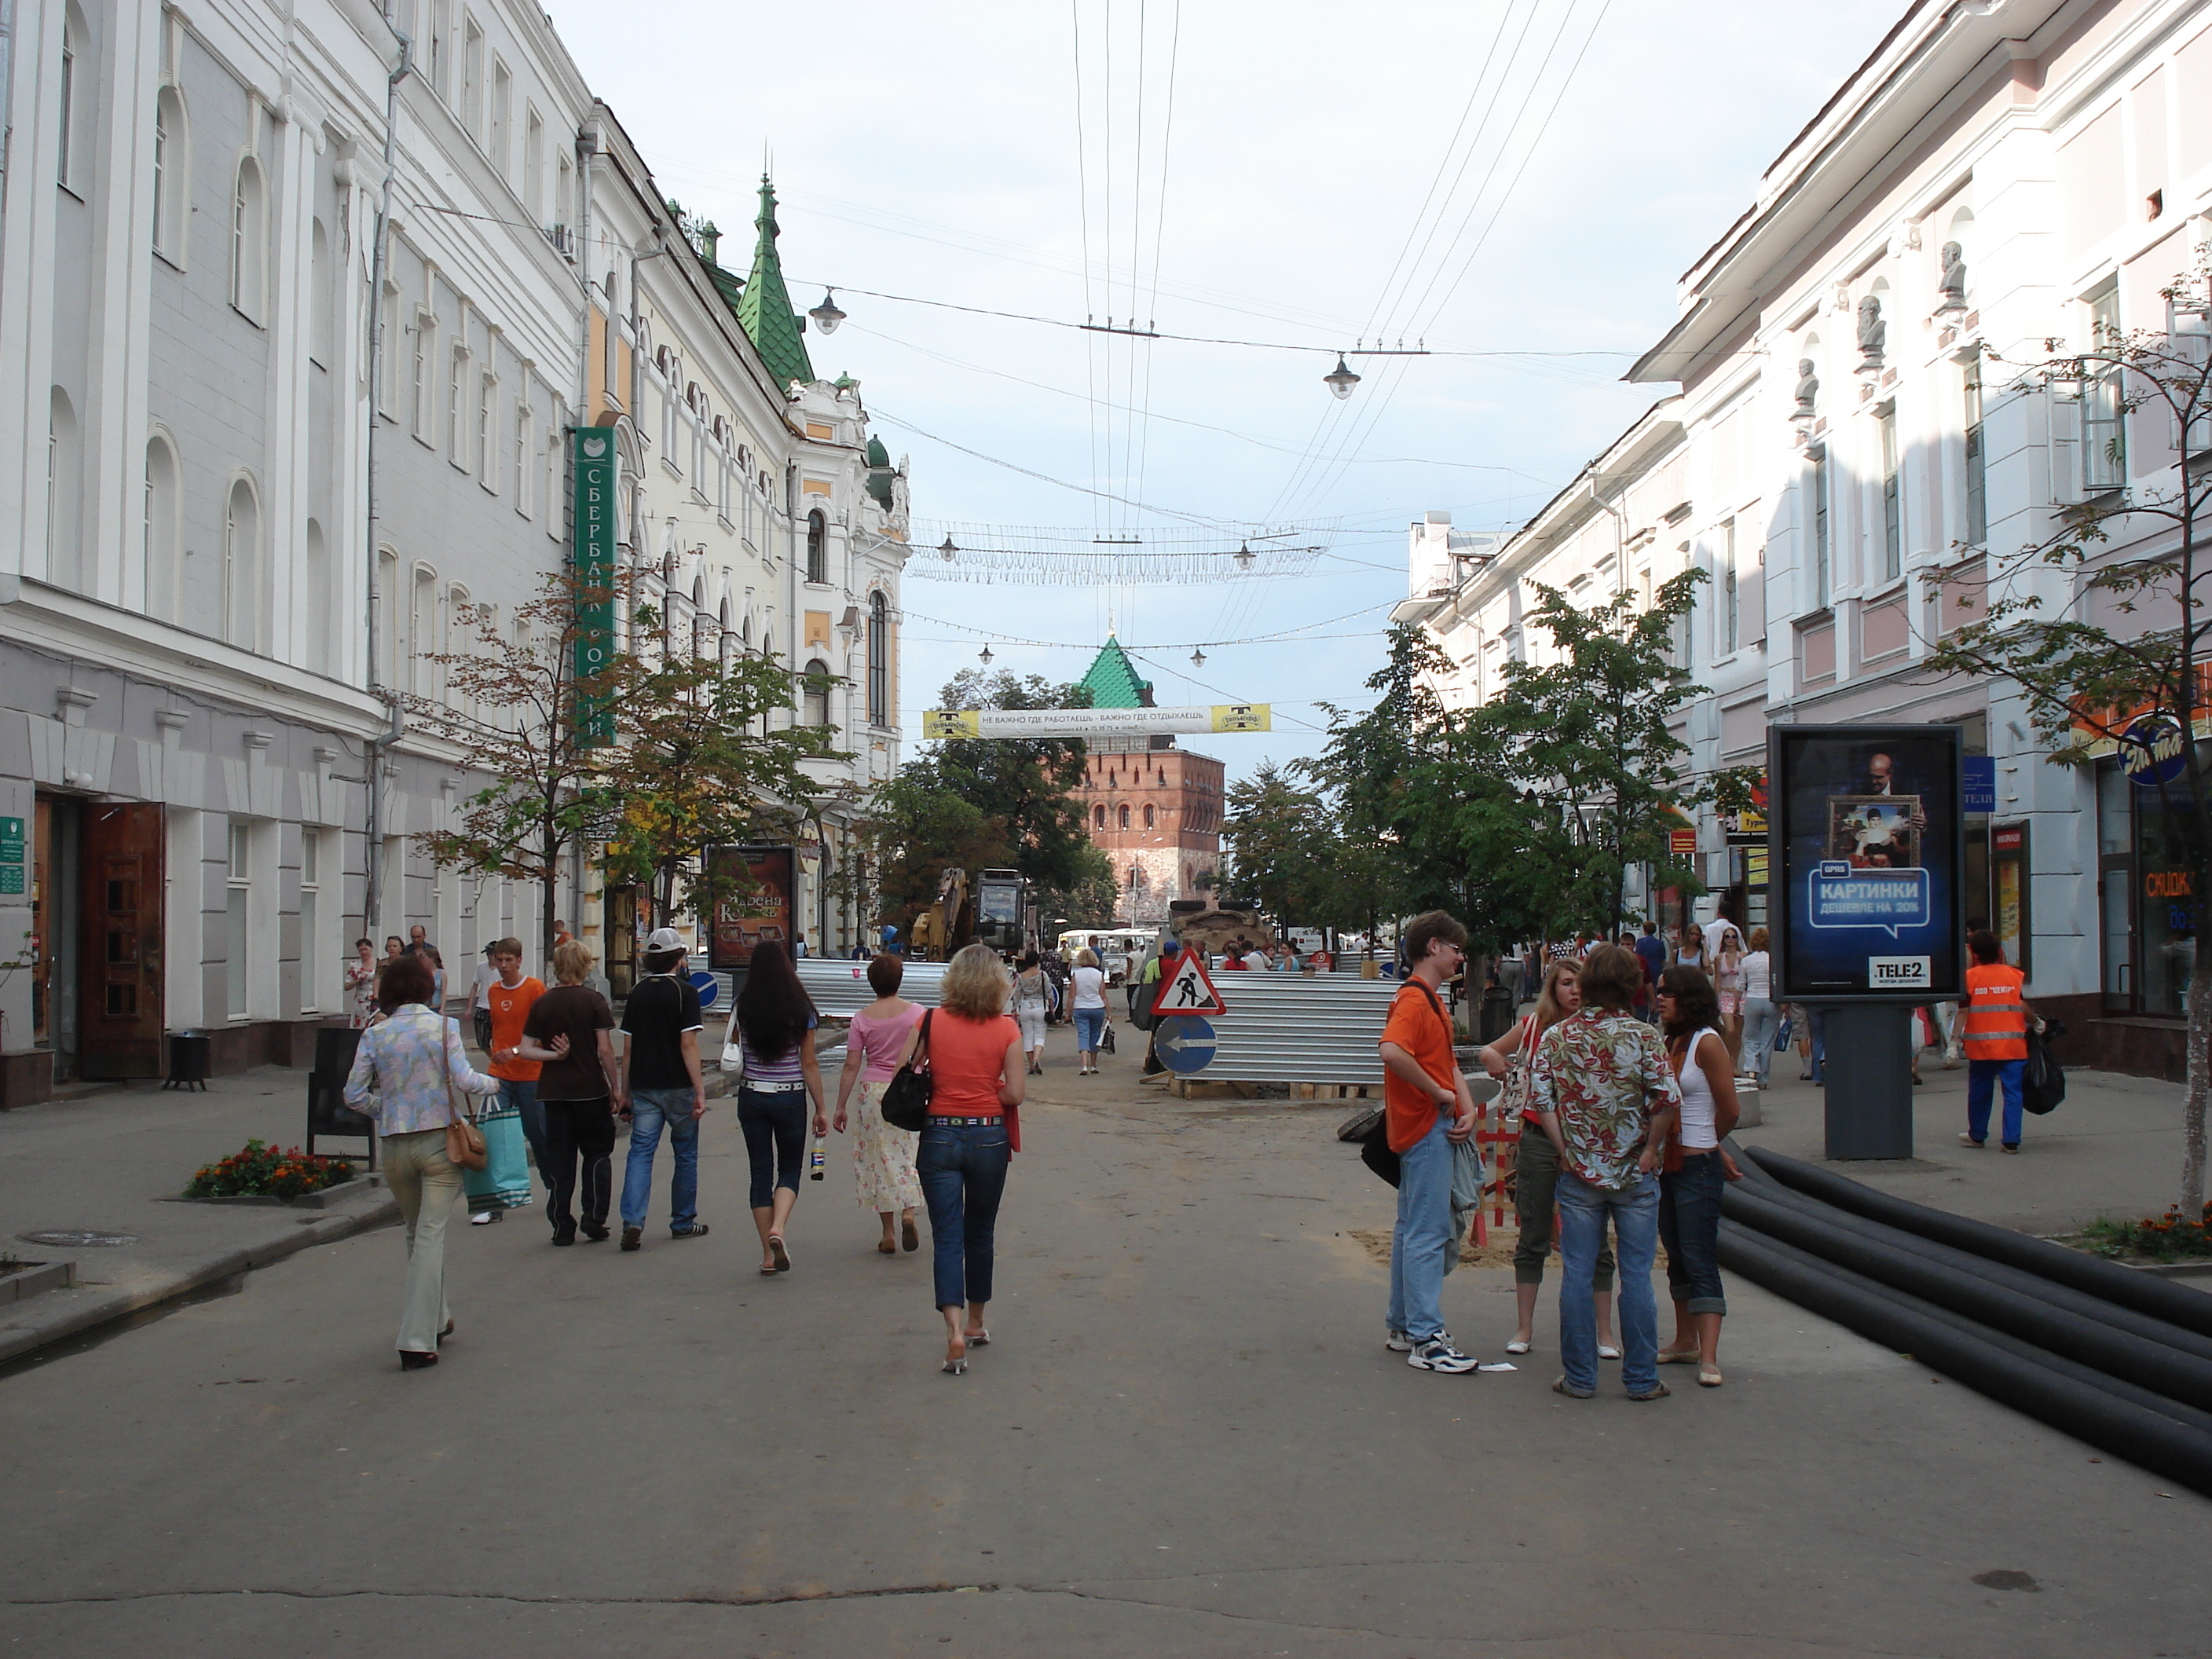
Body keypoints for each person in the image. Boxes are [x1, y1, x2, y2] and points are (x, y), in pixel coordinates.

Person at [1528, 943, 1681, 1402]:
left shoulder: (1557, 1037)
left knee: (1576, 1273)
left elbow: (1543, 1100)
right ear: (1631, 985)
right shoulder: (1643, 1037)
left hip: (1578, 1173)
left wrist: (1566, 1149)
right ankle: (1640, 1379)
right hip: (1635, 1173)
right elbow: (1667, 1099)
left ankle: (1579, 1378)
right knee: (1637, 1276)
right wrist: (1651, 1149)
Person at [342, 951, 500, 1370]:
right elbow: (466, 1080)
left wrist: (390, 1108)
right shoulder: (443, 1027)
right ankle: (415, 1338)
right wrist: (495, 1082)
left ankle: (438, 1316)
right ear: (426, 989)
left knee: (416, 1234)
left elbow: (353, 1096)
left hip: (395, 1146)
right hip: (440, 1144)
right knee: (430, 1235)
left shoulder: (375, 1034)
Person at [1478, 958, 1620, 1360]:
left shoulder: (1598, 1026)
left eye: (1581, 984)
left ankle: (1604, 1332)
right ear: (1552, 989)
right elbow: (1490, 1050)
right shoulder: (1535, 1026)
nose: (1575, 991)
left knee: (1595, 1237)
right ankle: (1524, 1327)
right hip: (1539, 1136)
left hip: (1586, 1137)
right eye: (1567, 984)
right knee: (1534, 1229)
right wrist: (1493, 1058)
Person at [902, 943, 1025, 1374]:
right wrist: (982, 1089)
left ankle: (952, 1332)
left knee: (948, 1237)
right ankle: (976, 1322)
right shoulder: (1007, 1030)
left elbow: (906, 1073)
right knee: (980, 1234)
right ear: (997, 984)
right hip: (988, 1137)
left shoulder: (930, 1021)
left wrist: (943, 1085)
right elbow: (1015, 1094)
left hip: (938, 1136)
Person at [1377, 911, 1481, 1375]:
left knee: (1411, 1227)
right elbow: (1392, 1051)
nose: (1461, 956)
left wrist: (1466, 1104)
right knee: (1429, 1230)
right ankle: (1427, 1337)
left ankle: (1404, 1325)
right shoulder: (1416, 1002)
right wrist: (1439, 1095)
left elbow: (1448, 1063)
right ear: (1434, 947)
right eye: (1456, 948)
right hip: (1424, 1127)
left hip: (1427, 1124)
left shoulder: (1430, 1002)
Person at [1654, 967, 1738, 1388]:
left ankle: (1709, 1356)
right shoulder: (1671, 1041)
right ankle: (1684, 1341)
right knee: (1677, 1254)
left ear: (1690, 998)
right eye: (1659, 992)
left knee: (1699, 1252)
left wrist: (1710, 1143)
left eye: (1669, 993)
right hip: (1670, 1165)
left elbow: (1729, 1108)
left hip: (1696, 1164)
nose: (1660, 998)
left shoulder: (1706, 1043)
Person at [515, 940, 621, 1246]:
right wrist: (615, 1088)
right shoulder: (595, 1001)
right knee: (597, 1154)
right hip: (590, 1090)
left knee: (561, 1159)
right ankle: (594, 1216)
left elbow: (524, 1049)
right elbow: (604, 1049)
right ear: (585, 965)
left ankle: (562, 1222)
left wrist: (554, 1057)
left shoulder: (543, 1004)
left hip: (554, 1092)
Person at [730, 941, 826, 1273]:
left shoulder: (743, 1005)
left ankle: (768, 1256)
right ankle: (779, 1228)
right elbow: (809, 1063)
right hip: (789, 1095)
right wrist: (821, 1107)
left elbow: (736, 1047)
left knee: (759, 1172)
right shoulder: (801, 1008)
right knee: (789, 1169)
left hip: (752, 1095)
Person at [617, 927, 709, 1251]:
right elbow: (688, 1044)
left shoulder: (638, 993)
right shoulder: (686, 993)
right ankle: (683, 1221)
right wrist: (700, 1090)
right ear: (679, 958)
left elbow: (627, 1049)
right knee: (685, 1154)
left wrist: (624, 1092)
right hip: (679, 1086)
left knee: (640, 1153)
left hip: (644, 1085)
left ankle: (632, 1221)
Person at [833, 954, 925, 1256]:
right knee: (909, 1153)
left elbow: (850, 1065)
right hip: (908, 1089)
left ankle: (887, 1233)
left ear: (872, 983)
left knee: (878, 1158)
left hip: (874, 1092)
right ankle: (908, 1214)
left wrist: (840, 1105)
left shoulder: (861, 1018)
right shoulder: (918, 1014)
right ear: (900, 980)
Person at [480, 939, 548, 1221]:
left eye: (509, 960)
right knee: (495, 1135)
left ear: (520, 960)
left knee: (538, 1135)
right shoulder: (493, 991)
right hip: (500, 1075)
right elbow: (495, 1027)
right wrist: (494, 1052)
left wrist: (520, 1051)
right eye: (499, 960)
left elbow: (544, 1030)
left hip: (530, 1073)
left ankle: (554, 1187)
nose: (503, 966)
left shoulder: (534, 989)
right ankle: (494, 1203)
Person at [1961, 929, 2042, 1153]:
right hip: (2013, 1045)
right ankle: (2011, 1141)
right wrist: (2036, 1023)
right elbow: (2021, 1006)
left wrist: (1952, 1042)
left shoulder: (1969, 978)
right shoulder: (2013, 975)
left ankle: (1977, 1135)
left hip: (1981, 1047)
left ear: (1974, 954)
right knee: (2013, 1092)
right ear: (1999, 951)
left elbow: (1963, 1011)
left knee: (1980, 1092)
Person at [1738, 927, 1778, 1087]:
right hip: (1770, 1000)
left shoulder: (1747, 960)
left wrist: (1735, 1005)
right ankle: (1763, 1078)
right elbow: (1777, 983)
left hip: (1752, 999)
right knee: (1767, 1040)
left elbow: (1741, 985)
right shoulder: (1773, 960)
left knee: (1750, 1037)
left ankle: (1751, 1068)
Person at [1710, 921, 1745, 1068]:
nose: (1730, 939)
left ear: (1737, 939)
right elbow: (1718, 980)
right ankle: (1725, 1059)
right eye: (1727, 937)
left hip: (1741, 995)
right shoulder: (1719, 958)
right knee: (1729, 1029)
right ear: (1723, 939)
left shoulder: (1743, 956)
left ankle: (1734, 1064)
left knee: (1737, 1032)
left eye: (1733, 937)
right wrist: (1715, 999)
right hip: (1725, 993)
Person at [1069, 947, 1108, 1075]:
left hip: (1080, 1008)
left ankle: (1084, 1065)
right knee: (1095, 1036)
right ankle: (1094, 1065)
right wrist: (1109, 1012)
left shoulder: (1076, 975)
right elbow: (1103, 994)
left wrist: (1068, 1012)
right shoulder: (1098, 975)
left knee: (1083, 1035)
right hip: (1097, 1007)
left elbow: (1072, 995)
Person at [1010, 952, 1049, 1075]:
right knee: (1039, 1036)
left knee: (1027, 1036)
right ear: (1038, 961)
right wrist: (1052, 1008)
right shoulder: (1043, 975)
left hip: (1026, 1007)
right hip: (1040, 1007)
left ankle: (1031, 1063)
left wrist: (1014, 1009)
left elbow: (1017, 994)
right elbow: (1049, 992)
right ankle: (1036, 1060)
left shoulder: (1021, 977)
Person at [466, 943, 499, 1053]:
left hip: (497, 1008)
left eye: (492, 954)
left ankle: (497, 1063)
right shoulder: (481, 967)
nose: (490, 957)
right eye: (488, 954)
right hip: (483, 1006)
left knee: (498, 1038)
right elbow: (475, 987)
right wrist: (470, 1007)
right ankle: (494, 1060)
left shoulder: (502, 969)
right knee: (482, 1040)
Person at [347, 938, 379, 1029]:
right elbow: (347, 986)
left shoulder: (379, 963)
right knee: (359, 1027)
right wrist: (358, 980)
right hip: (360, 1001)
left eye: (366, 949)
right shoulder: (354, 965)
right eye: (361, 950)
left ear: (371, 948)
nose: (363, 952)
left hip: (375, 999)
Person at [1633, 922, 1667, 1004]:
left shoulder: (1641, 942)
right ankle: (1654, 1008)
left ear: (1644, 930)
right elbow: (1663, 958)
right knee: (1655, 990)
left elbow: (1638, 956)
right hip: (1656, 969)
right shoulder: (1660, 943)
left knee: (1644, 991)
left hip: (1644, 969)